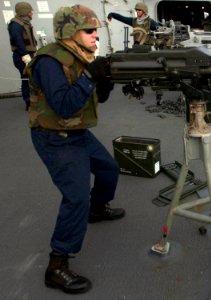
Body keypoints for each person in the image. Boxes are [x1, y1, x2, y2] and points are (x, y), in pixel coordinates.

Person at [26, 4, 125, 294]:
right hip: (54, 136)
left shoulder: (80, 56)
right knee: (76, 196)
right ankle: (56, 266)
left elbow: (98, 100)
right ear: (71, 32)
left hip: (75, 131)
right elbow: (65, 104)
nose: (97, 36)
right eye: (90, 30)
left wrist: (104, 82)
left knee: (109, 169)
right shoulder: (49, 61)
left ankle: (97, 209)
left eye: (96, 30)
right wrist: (91, 77)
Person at [8, 1, 37, 110]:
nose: (32, 14)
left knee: (33, 79)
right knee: (26, 78)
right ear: (24, 12)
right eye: (30, 12)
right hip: (22, 57)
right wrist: (25, 57)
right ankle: (28, 102)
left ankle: (35, 100)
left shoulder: (25, 23)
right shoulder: (15, 25)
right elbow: (19, 41)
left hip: (29, 55)